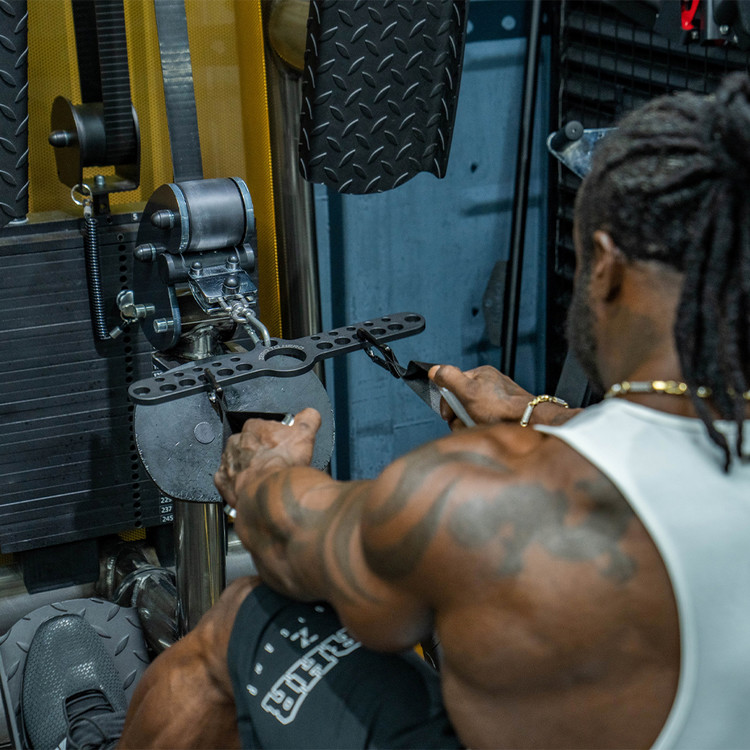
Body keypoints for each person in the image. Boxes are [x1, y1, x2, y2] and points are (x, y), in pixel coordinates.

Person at [116, 73, 750, 749]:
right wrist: (534, 415)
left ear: (605, 266)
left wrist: (265, 474)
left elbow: (295, 543)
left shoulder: (496, 502)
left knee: (242, 616)